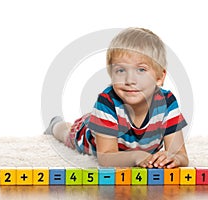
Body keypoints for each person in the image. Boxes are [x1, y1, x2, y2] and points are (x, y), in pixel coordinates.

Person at [45, 27, 189, 168]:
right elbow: (106, 157)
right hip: (89, 132)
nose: (130, 80)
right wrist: (136, 156)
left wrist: (173, 158)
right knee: (65, 133)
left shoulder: (167, 103)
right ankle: (55, 124)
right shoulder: (107, 102)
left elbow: (181, 156)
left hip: (108, 122)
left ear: (159, 77)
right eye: (121, 70)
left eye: (141, 70)